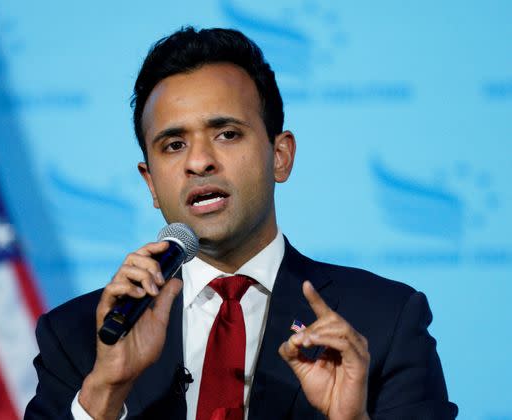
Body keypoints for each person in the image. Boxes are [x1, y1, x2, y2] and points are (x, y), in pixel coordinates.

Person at [25, 27, 457, 420]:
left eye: (227, 134)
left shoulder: (383, 320)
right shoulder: (80, 336)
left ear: (280, 156)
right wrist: (106, 391)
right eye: (174, 144)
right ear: (151, 183)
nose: (199, 161)